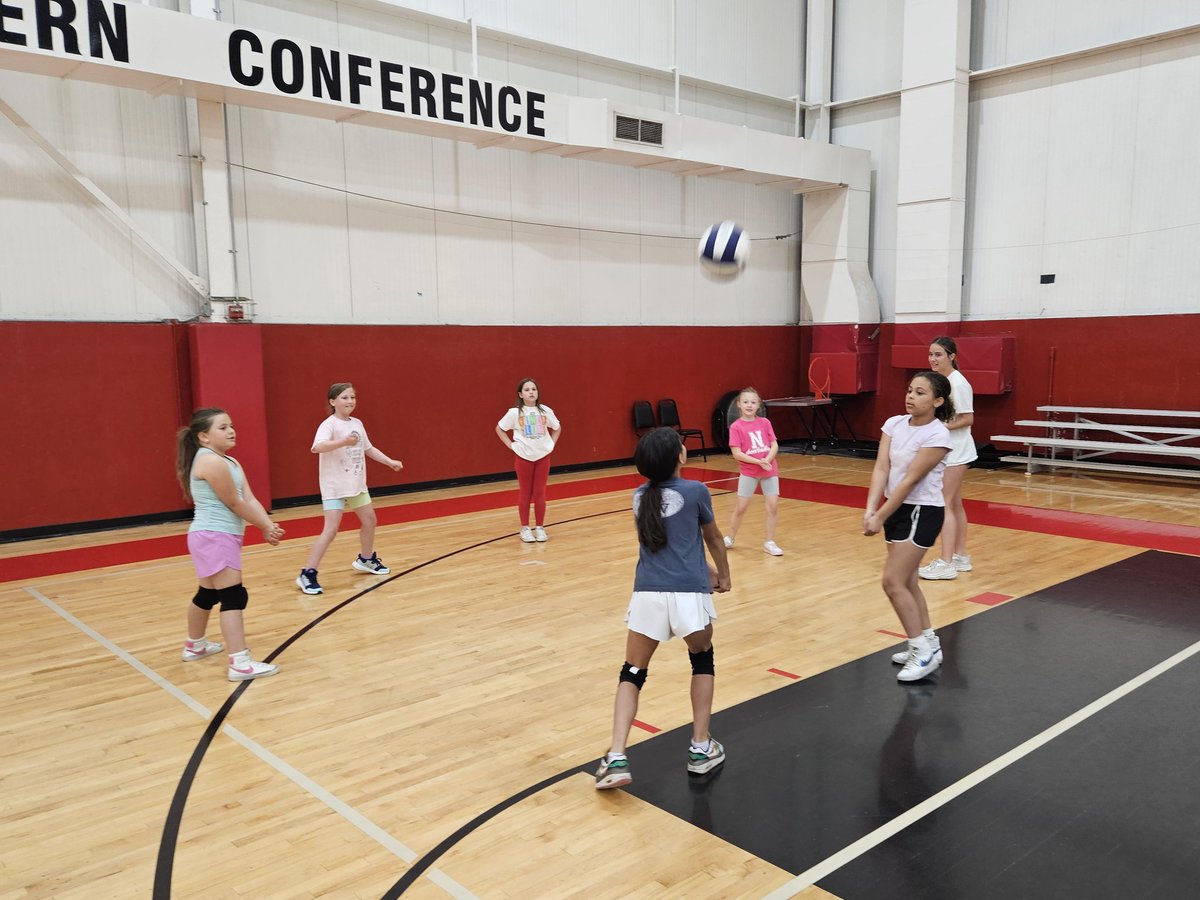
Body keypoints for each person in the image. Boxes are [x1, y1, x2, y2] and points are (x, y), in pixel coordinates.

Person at [595, 427, 732, 790]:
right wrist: (723, 575)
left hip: (648, 595)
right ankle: (700, 748)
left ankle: (617, 756)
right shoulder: (697, 490)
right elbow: (712, 538)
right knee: (702, 658)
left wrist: (708, 570)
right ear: (680, 458)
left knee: (633, 671)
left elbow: (668, 545)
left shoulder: (638, 497)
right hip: (689, 595)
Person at [177, 408, 285, 682]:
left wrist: (268, 526)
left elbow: (248, 498)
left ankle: (195, 645)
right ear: (204, 436)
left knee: (208, 594)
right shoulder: (211, 462)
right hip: (215, 535)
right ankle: (240, 662)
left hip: (215, 536)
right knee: (233, 596)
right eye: (222, 427)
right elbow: (234, 503)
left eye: (231, 426)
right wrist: (263, 526)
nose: (231, 430)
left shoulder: (230, 462)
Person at [862, 373, 955, 683]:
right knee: (909, 581)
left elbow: (910, 481)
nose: (911, 396)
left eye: (921, 392)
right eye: (910, 390)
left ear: (937, 401)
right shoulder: (894, 424)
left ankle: (921, 652)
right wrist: (871, 508)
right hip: (896, 509)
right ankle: (929, 643)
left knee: (892, 582)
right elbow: (882, 467)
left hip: (921, 511)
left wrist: (880, 516)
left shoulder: (938, 435)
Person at [296, 383, 403, 595]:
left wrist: (389, 461)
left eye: (352, 397)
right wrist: (343, 441)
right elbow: (317, 447)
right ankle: (307, 573)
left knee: (370, 520)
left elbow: (368, 448)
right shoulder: (329, 425)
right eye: (345, 397)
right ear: (333, 401)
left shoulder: (357, 423)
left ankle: (365, 559)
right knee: (331, 529)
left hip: (356, 484)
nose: (350, 401)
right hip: (335, 486)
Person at [919, 337, 978, 581]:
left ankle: (946, 562)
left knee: (943, 504)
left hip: (955, 452)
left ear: (952, 356)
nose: (933, 359)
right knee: (954, 504)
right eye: (931, 354)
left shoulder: (958, 383)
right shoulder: (942, 382)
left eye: (939, 354)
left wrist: (938, 427)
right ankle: (960, 556)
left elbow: (967, 418)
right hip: (950, 450)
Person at [495, 378, 561, 543]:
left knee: (540, 493)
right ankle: (525, 528)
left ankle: (540, 527)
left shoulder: (545, 410)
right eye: (527, 389)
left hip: (543, 457)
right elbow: (499, 429)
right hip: (524, 457)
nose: (531, 392)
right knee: (525, 493)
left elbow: (557, 427)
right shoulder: (514, 413)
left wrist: (551, 443)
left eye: (534, 389)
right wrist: (511, 445)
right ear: (520, 394)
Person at [722, 387, 783, 556]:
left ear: (759, 405)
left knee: (772, 506)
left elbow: (774, 444)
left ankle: (769, 542)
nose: (749, 405)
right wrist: (758, 461)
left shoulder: (765, 423)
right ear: (739, 405)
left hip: (769, 470)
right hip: (749, 471)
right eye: (746, 402)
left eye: (753, 402)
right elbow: (737, 453)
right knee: (741, 507)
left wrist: (768, 460)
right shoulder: (736, 427)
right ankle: (730, 537)